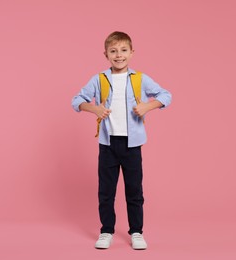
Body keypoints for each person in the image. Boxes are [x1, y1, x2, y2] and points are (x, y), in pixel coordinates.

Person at [71, 31, 172, 250]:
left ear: (132, 53)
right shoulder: (99, 79)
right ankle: (106, 230)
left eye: (123, 50)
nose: (119, 55)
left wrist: (147, 106)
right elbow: (76, 100)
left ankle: (136, 231)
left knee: (134, 191)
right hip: (108, 144)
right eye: (113, 51)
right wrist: (94, 108)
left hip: (132, 145)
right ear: (106, 54)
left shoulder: (140, 79)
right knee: (106, 191)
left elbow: (166, 95)